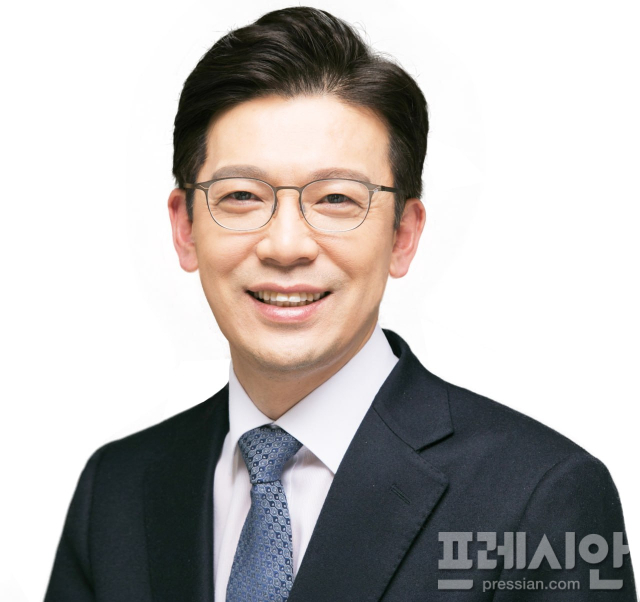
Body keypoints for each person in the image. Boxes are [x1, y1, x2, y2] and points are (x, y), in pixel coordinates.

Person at [44, 6, 636, 601]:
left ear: (403, 235)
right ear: (185, 228)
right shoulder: (114, 491)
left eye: (335, 199)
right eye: (242, 195)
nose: (286, 246)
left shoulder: (546, 497)